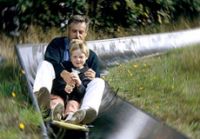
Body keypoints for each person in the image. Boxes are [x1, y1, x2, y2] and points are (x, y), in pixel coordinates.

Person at [33, 15, 105, 124]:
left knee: (99, 82)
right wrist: (63, 73)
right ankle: (42, 100)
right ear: (68, 30)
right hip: (57, 89)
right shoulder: (57, 45)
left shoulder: (91, 56)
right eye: (74, 31)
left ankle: (86, 112)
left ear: (85, 33)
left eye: (81, 32)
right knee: (44, 64)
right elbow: (50, 61)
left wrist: (94, 77)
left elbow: (94, 81)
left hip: (77, 95)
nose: (77, 35)